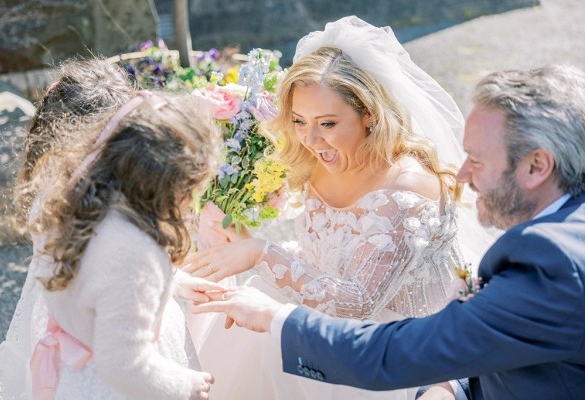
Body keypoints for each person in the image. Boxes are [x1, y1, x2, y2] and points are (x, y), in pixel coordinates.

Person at [194, 63, 585, 400]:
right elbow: (482, 340)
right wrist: (452, 388)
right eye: (299, 122)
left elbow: (401, 350)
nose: (461, 175)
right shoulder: (562, 235)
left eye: (477, 160)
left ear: (536, 166)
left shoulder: (549, 262)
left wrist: (275, 318)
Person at [185, 16, 492, 400]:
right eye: (299, 121)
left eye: (327, 123)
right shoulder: (323, 161)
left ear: (369, 115)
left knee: (265, 313)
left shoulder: (404, 191)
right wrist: (249, 245)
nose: (311, 139)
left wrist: (262, 254)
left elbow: (359, 302)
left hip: (392, 348)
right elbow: (329, 258)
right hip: (327, 322)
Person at [0, 85, 225, 399]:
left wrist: (175, 283)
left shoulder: (71, 206)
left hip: (73, 379)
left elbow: (101, 282)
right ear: (165, 181)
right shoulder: (135, 252)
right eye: (191, 188)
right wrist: (185, 385)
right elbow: (123, 365)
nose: (192, 201)